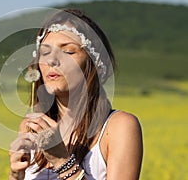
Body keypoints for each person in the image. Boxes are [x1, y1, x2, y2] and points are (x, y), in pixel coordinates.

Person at [9, 9, 143, 180]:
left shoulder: (119, 127)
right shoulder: (31, 127)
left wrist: (62, 161)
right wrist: (15, 175)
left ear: (94, 64)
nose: (52, 60)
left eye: (68, 51)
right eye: (45, 53)